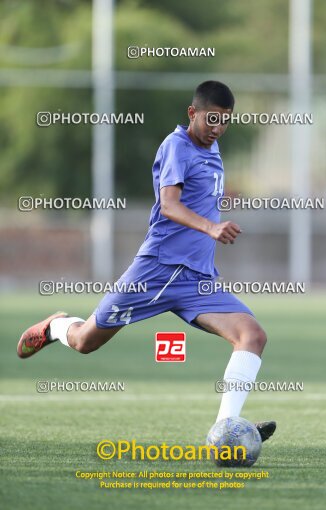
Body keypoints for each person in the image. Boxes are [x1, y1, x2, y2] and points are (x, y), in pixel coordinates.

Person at [17, 80, 276, 441]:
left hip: (196, 280)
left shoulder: (213, 151)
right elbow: (169, 205)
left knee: (252, 335)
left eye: (225, 121)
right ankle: (55, 327)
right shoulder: (176, 146)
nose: (217, 128)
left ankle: (225, 428)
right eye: (211, 119)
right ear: (193, 113)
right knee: (85, 341)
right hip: (156, 271)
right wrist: (211, 228)